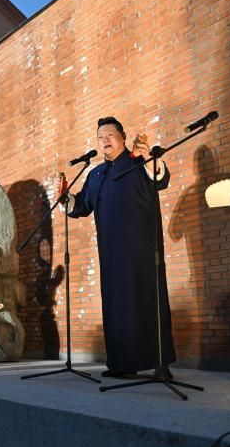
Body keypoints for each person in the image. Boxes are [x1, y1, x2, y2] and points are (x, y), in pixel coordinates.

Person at [63, 116, 175, 379]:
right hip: (111, 254)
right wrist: (65, 198)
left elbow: (161, 180)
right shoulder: (96, 174)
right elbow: (81, 206)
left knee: (149, 301)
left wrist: (150, 160)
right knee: (116, 307)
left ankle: (160, 364)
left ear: (123, 137)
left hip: (143, 250)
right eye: (100, 137)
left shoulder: (140, 162)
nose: (105, 140)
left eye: (110, 135)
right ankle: (122, 365)